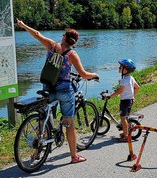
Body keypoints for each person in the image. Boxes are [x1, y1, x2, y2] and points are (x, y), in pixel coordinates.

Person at [15, 19, 99, 164]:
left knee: (44, 119)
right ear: (74, 42)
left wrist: (22, 25)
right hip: (64, 89)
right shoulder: (72, 54)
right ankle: (74, 156)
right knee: (69, 123)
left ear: (64, 37)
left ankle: (36, 153)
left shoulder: (52, 46)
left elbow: (36, 34)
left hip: (48, 86)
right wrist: (95, 75)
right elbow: (84, 74)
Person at [104, 59, 140, 142]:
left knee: (123, 118)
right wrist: (133, 96)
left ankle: (126, 136)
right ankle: (126, 132)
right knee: (126, 117)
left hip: (124, 102)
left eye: (121, 67)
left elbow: (119, 91)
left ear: (125, 70)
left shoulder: (124, 80)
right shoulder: (131, 78)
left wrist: (110, 95)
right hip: (129, 100)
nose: (119, 68)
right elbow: (137, 88)